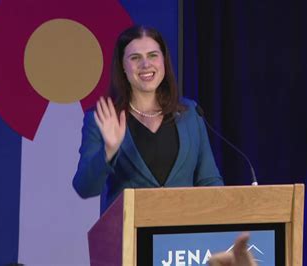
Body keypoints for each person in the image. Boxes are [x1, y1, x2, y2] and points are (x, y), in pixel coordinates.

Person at [73, 25, 223, 214]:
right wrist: (108, 151)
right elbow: (85, 188)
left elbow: (209, 181)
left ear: (163, 61)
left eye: (153, 55)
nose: (146, 65)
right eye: (135, 58)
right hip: (128, 237)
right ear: (123, 67)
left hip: (183, 237)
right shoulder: (101, 118)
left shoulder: (190, 113)